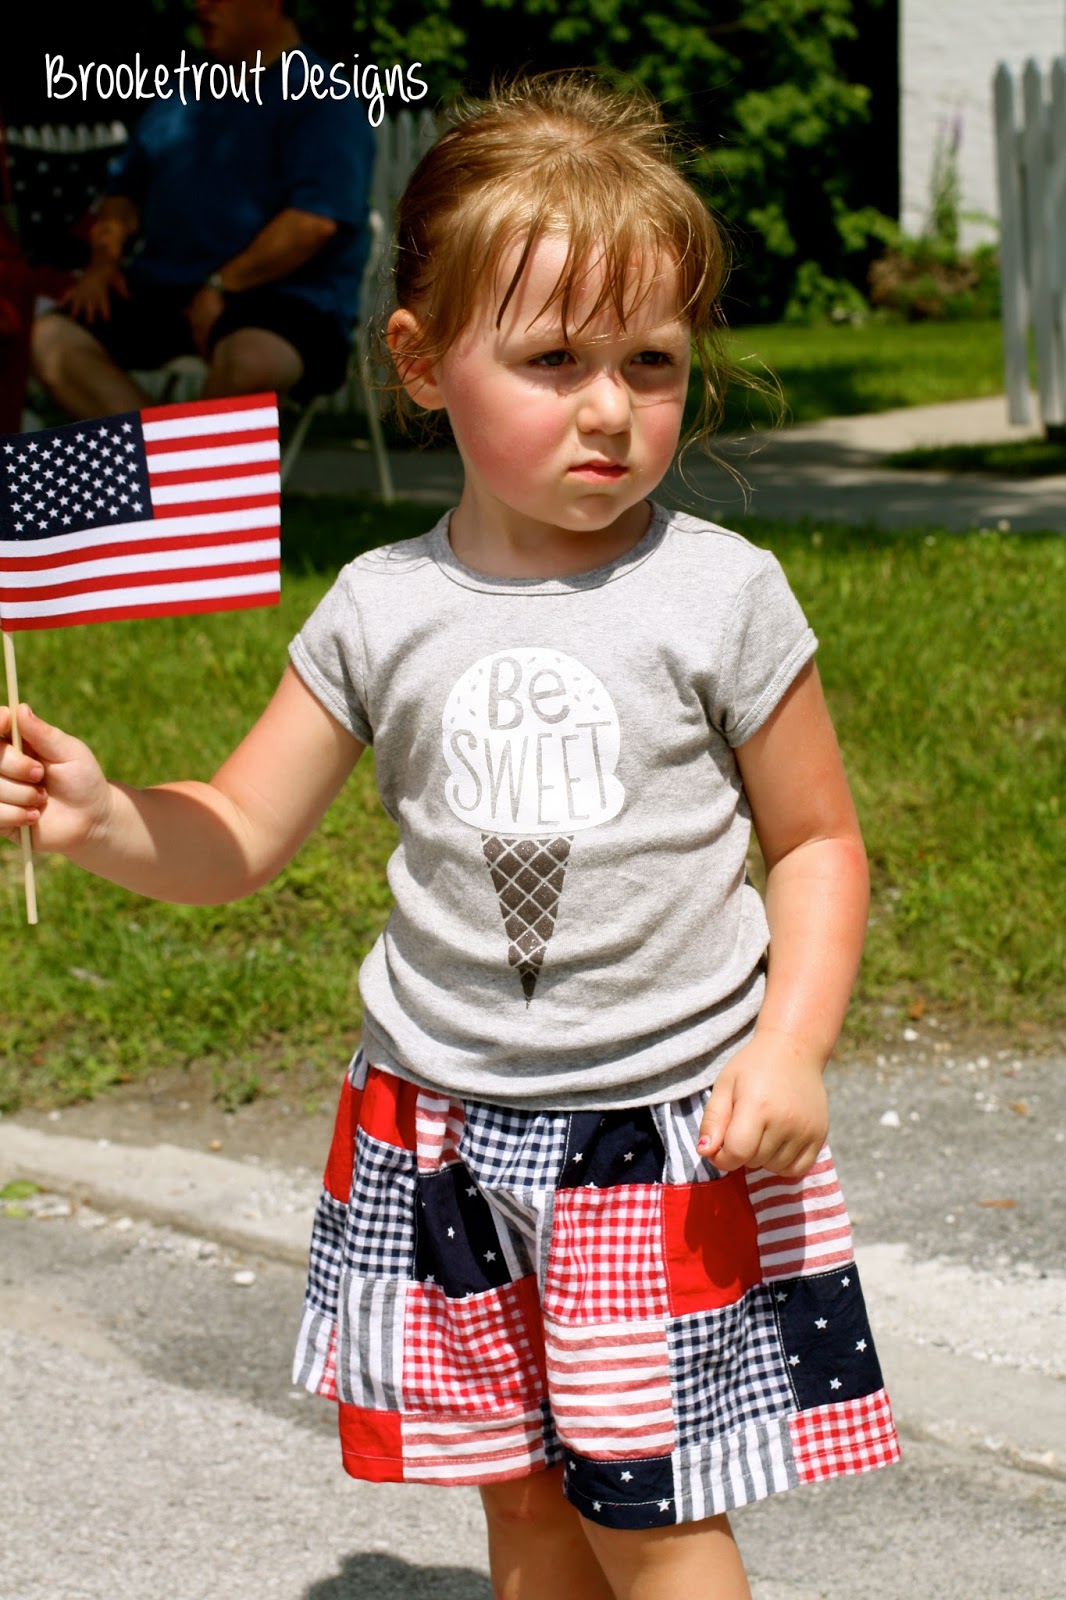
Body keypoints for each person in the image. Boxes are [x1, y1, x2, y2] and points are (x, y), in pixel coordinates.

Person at [0, 74, 900, 1600]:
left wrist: (792, 1044)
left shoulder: (719, 592)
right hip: (437, 1131)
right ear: (419, 362)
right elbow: (234, 830)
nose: (609, 408)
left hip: (651, 1134)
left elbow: (816, 842)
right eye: (552, 359)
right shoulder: (381, 609)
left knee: (648, 1511)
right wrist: (97, 818)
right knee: (523, 1508)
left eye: (651, 361)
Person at [30, 0, 374, 421]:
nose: (201, 4)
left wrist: (221, 286)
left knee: (250, 360)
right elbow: (123, 195)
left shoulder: (322, 96)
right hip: (166, 289)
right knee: (52, 338)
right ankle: (172, 472)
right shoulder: (178, 97)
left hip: (288, 298)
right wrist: (102, 262)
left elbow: (313, 222)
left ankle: (178, 474)